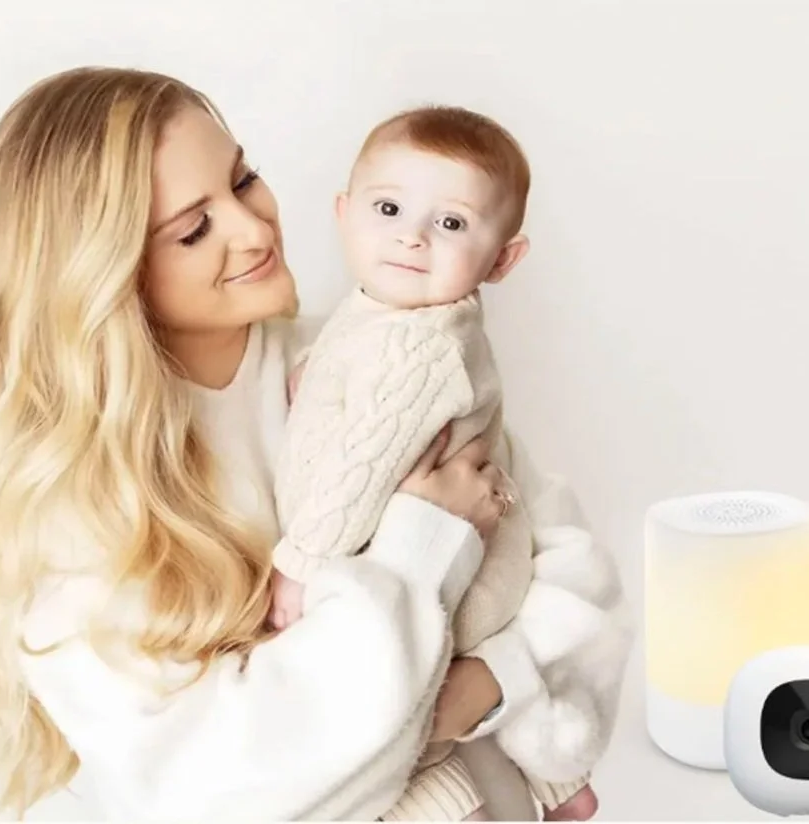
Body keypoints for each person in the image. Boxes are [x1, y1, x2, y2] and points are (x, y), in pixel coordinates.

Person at [0, 66, 631, 821]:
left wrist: (492, 683)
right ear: (102, 272)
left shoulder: (370, 360)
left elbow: (571, 571)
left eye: (244, 180)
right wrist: (425, 546)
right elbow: (222, 786)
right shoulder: (74, 501)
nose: (254, 229)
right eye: (194, 229)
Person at [268, 106, 599, 821]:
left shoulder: (423, 346)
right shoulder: (383, 313)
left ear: (502, 259)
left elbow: (362, 465)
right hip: (464, 554)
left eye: (450, 223)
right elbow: (354, 368)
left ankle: (545, 782)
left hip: (467, 575)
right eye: (388, 208)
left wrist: (299, 563)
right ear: (345, 214)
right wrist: (314, 374)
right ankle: (560, 783)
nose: (411, 236)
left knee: (409, 699)